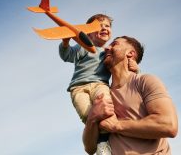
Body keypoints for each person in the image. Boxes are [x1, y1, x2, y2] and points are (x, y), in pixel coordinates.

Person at [83, 36, 178, 155]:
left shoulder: (145, 81)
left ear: (130, 54)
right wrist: (92, 117)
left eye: (114, 44)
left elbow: (168, 125)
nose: (107, 47)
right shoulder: (102, 95)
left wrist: (117, 125)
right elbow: (90, 148)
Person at [59, 15, 138, 155]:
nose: (104, 28)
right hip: (78, 88)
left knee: (106, 107)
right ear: (88, 32)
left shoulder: (109, 52)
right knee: (87, 114)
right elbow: (67, 56)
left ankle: (106, 140)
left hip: (100, 84)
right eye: (98, 26)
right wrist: (65, 43)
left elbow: (121, 68)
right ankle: (101, 141)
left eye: (107, 26)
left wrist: (134, 67)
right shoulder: (84, 46)